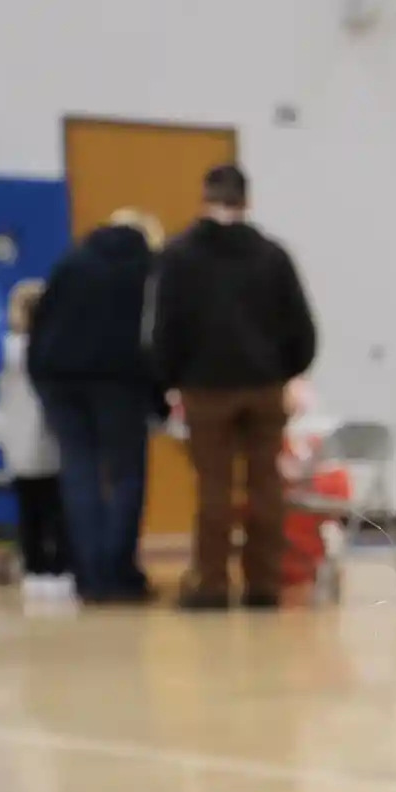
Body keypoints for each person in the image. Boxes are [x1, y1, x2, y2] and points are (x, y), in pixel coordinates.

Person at [148, 162, 317, 610]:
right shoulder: (273, 256)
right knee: (265, 487)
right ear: (247, 200)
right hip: (265, 386)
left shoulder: (179, 256)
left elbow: (164, 329)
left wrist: (170, 380)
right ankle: (264, 584)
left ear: (205, 197)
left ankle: (212, 585)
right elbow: (302, 328)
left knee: (214, 489)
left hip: (205, 388)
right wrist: (285, 371)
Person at [28, 208, 165, 605]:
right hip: (120, 381)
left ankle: (88, 576)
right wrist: (159, 397)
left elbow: (41, 321)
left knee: (79, 473)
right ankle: (119, 574)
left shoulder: (72, 260)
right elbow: (154, 334)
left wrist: (41, 378)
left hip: (59, 378)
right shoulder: (147, 269)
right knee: (125, 476)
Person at [0, 282, 71, 607]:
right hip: (54, 441)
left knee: (30, 510)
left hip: (18, 440)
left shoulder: (7, 350)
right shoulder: (57, 348)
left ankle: (35, 566)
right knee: (59, 508)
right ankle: (61, 565)